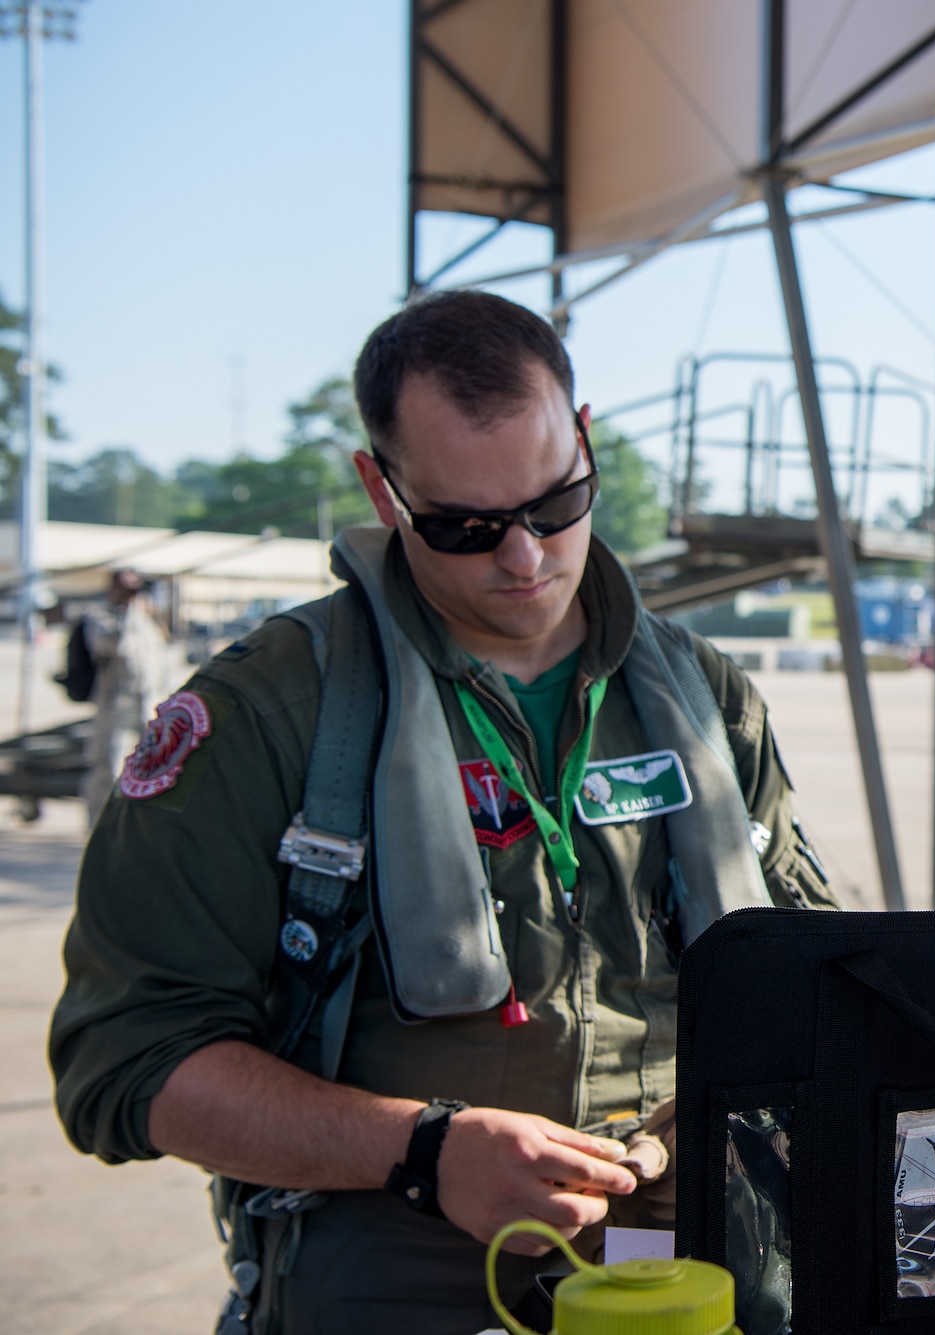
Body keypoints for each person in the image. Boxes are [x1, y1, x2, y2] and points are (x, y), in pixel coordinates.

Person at [49, 290, 837, 1334]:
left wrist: (725, 1112)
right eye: (467, 527)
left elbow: (817, 977)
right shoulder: (269, 716)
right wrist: (422, 1148)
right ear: (381, 488)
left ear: (585, 440)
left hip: (690, 1275)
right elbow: (124, 1061)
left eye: (556, 505)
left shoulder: (707, 699)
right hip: (403, 1278)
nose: (525, 559)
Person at [77, 568, 175, 825]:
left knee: (153, 773)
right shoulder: (102, 618)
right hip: (116, 709)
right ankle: (101, 830)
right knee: (110, 771)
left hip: (149, 708)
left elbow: (162, 662)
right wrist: (128, 610)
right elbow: (113, 646)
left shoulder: (149, 619)